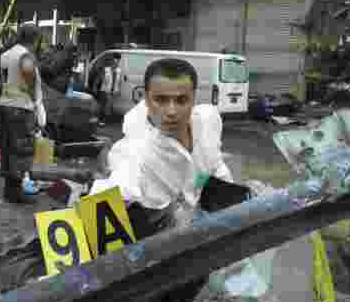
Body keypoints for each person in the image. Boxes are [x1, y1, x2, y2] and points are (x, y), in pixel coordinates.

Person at [90, 58, 240, 241]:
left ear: (194, 98)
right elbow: (104, 204)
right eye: (160, 100)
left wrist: (234, 194)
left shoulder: (208, 121)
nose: (171, 111)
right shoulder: (136, 152)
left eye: (181, 100)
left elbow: (214, 163)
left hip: (207, 229)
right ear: (146, 98)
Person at [0, 25, 45, 204]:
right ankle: (16, 193)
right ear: (34, 39)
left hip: (6, 106)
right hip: (21, 108)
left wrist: (3, 87)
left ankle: (9, 191)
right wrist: (36, 107)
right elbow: (30, 83)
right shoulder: (25, 55)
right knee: (21, 150)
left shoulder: (9, 53)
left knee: (9, 149)